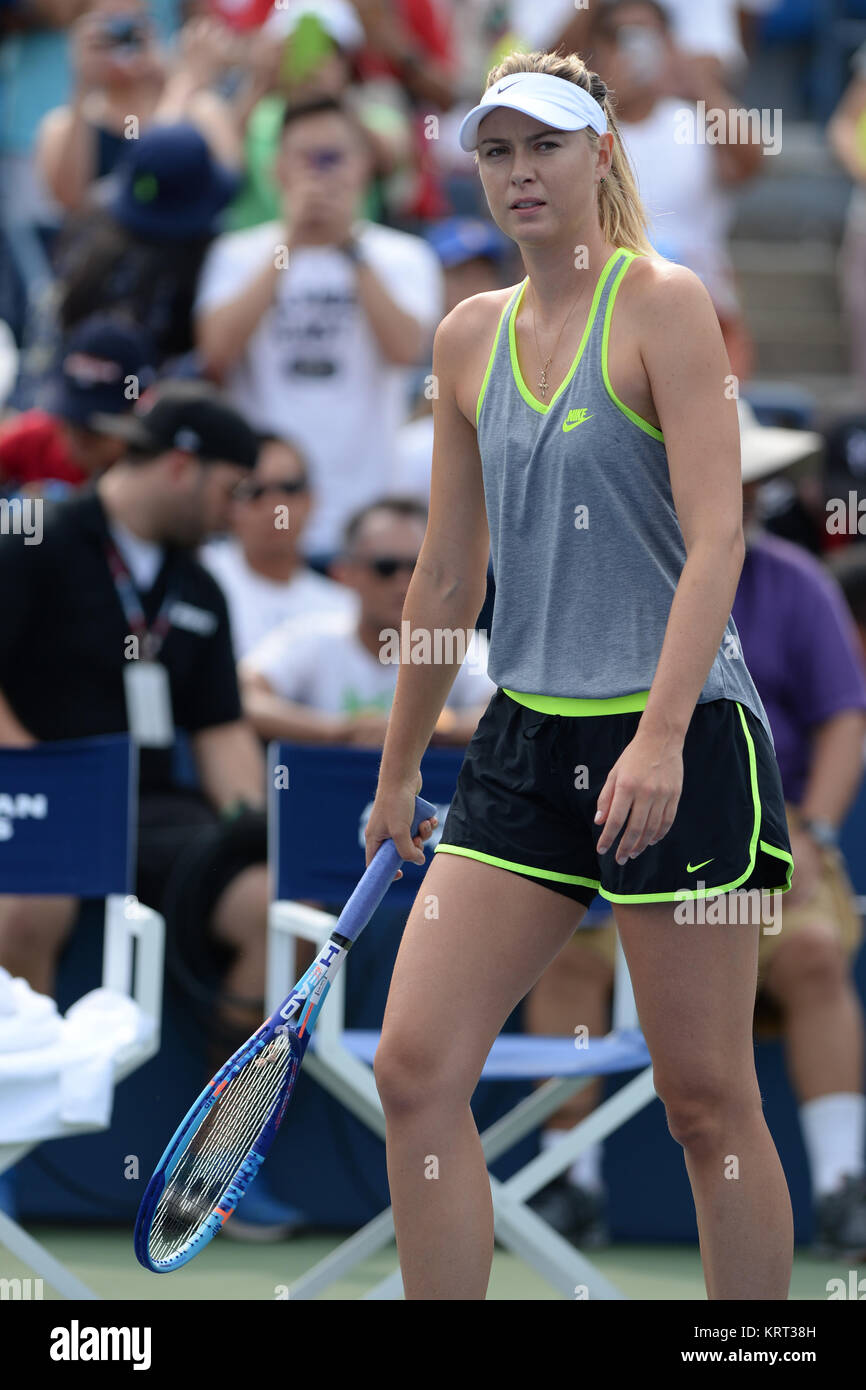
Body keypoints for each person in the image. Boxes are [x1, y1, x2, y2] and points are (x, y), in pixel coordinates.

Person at [362, 50, 796, 1301]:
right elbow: (443, 581)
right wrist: (398, 774)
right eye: (494, 152)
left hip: (685, 740)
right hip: (521, 745)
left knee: (705, 1099)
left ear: (598, 153)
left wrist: (658, 739)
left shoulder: (664, 301)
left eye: (542, 145)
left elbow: (716, 534)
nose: (516, 173)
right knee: (412, 1070)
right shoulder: (463, 336)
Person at [527, 404, 866, 1260]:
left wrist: (818, 830)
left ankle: (841, 1185)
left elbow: (844, 720)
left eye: (747, 478)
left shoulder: (798, 586)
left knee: (816, 955)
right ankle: (570, 1182)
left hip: (762, 844)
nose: (733, 491)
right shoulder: (599, 571)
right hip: (615, 844)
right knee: (565, 958)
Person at [194, 93, 444, 564]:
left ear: (364, 166)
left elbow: (405, 350)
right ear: (276, 169)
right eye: (304, 158)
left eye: (333, 157)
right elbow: (217, 353)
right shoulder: (235, 253)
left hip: (364, 511)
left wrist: (347, 246)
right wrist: (290, 241)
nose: (319, 172)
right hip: (263, 515)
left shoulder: (404, 256)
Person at [239, 495, 493, 747]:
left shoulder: (454, 643)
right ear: (345, 573)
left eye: (417, 568)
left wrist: (434, 727)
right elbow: (243, 696)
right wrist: (337, 731)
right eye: (385, 567)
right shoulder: (312, 636)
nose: (404, 584)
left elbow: (503, 711)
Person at [35, 2, 242, 214]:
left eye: (134, 24)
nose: (123, 40)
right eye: (108, 29)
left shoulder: (201, 110)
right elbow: (70, 200)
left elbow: (230, 183)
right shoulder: (63, 125)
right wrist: (82, 82)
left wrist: (173, 79)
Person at [199, 432, 358, 659]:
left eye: (289, 488)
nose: (275, 506)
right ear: (228, 503)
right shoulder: (199, 578)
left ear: (312, 499)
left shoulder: (343, 610)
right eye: (254, 491)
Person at [0, 315, 155, 496]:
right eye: (72, 418)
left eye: (95, 426)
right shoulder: (38, 438)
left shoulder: (153, 472)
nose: (79, 435)